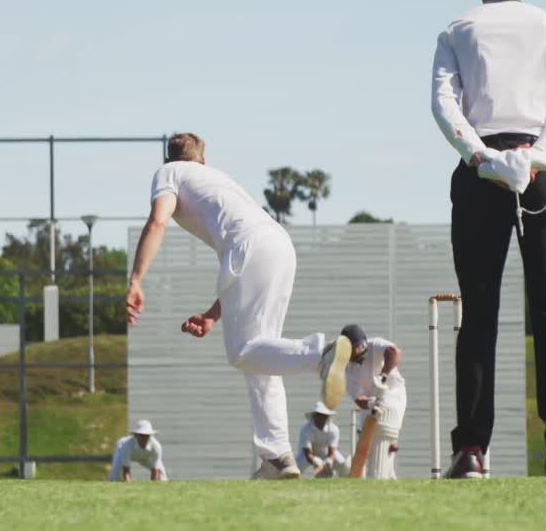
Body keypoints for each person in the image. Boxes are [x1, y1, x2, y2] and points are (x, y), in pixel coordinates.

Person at [431, 0, 546, 478]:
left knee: (479, 312)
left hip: (480, 166)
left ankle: (471, 449)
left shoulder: (457, 31)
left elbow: (444, 103)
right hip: (543, 166)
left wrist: (479, 155)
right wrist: (540, 154)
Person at [125, 132, 351, 480]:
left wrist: (136, 279)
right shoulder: (218, 178)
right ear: (203, 161)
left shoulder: (169, 173)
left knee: (244, 352)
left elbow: (158, 220)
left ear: (170, 160)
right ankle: (276, 457)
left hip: (250, 248)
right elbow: (247, 254)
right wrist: (213, 314)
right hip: (278, 245)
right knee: (262, 355)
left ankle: (321, 354)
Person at [340, 324, 406, 479]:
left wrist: (383, 376)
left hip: (394, 394)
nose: (356, 351)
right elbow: (359, 399)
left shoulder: (374, 344)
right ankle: (388, 476)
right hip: (370, 402)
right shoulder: (347, 369)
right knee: (369, 442)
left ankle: (380, 475)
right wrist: (371, 404)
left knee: (384, 432)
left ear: (363, 343)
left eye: (357, 347)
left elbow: (394, 352)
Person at [296, 401, 349, 478]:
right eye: (319, 415)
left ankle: (344, 480)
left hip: (325, 451)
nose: (322, 418)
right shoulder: (306, 429)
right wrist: (314, 460)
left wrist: (329, 460)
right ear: (314, 416)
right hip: (307, 454)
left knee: (342, 464)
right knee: (296, 468)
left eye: (324, 416)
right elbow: (307, 453)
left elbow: (332, 451)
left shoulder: (334, 429)